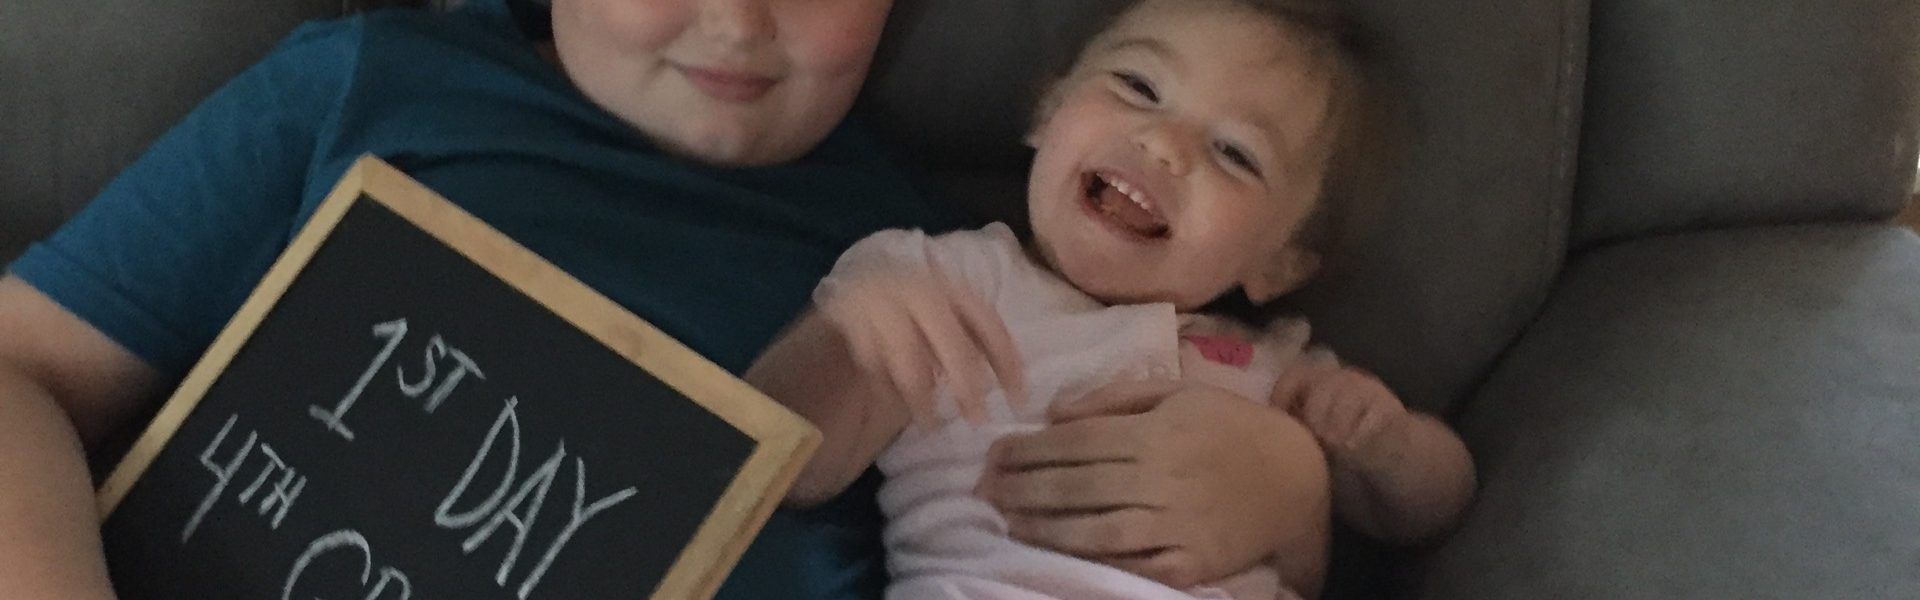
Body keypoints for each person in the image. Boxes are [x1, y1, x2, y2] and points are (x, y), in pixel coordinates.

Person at [745, 0, 1476, 598]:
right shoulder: (945, 281)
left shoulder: (1272, 369)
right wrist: (849, 334)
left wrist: (1389, 444)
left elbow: (1433, 508)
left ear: (1278, 263)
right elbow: (774, 464)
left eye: (1234, 153)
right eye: (1138, 87)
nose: (1164, 144)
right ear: (1048, 109)